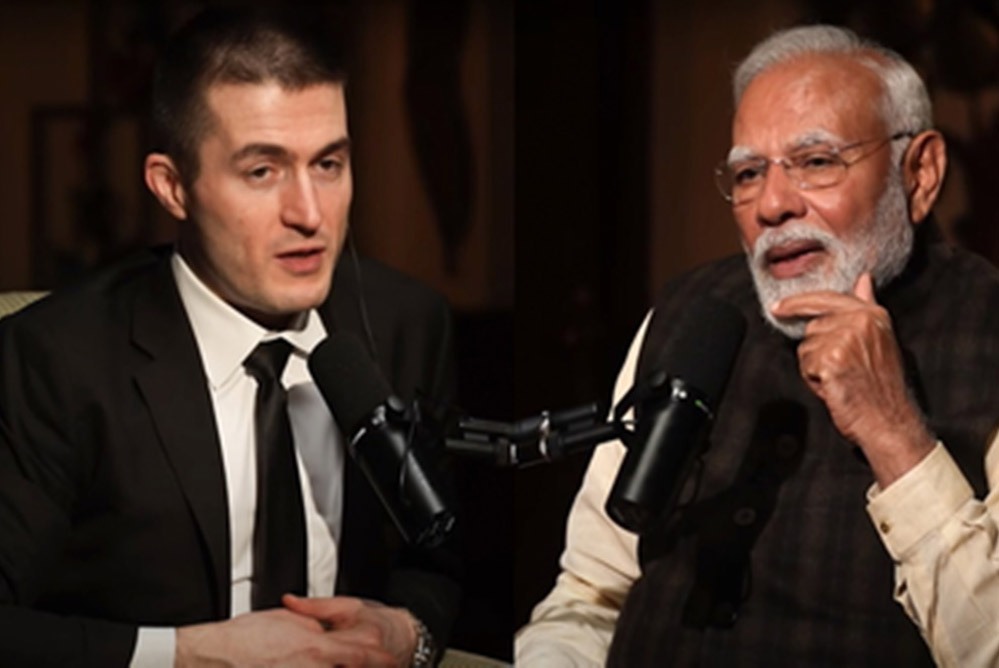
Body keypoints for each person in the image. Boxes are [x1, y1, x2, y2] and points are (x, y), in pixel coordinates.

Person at [516, 24, 999, 666]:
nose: (771, 205)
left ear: (920, 173)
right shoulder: (691, 313)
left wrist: (892, 430)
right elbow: (588, 596)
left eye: (817, 162)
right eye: (748, 173)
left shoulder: (986, 327)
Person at [0, 8, 459, 667]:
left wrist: (410, 633)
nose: (309, 214)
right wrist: (183, 655)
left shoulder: (407, 323)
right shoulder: (55, 359)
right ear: (172, 187)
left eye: (328, 163)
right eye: (262, 171)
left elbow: (440, 560)